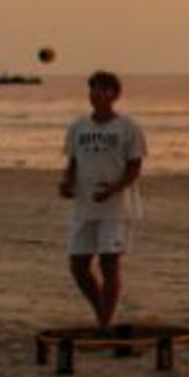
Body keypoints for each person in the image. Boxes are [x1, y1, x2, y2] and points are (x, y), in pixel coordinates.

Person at [54, 69, 146, 327]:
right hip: (84, 206)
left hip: (116, 208)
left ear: (115, 95)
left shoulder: (128, 128)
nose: (98, 94)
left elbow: (134, 168)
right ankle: (102, 314)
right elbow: (73, 162)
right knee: (79, 266)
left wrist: (114, 188)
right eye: (94, 88)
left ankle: (104, 322)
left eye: (104, 89)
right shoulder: (78, 127)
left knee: (109, 263)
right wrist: (66, 183)